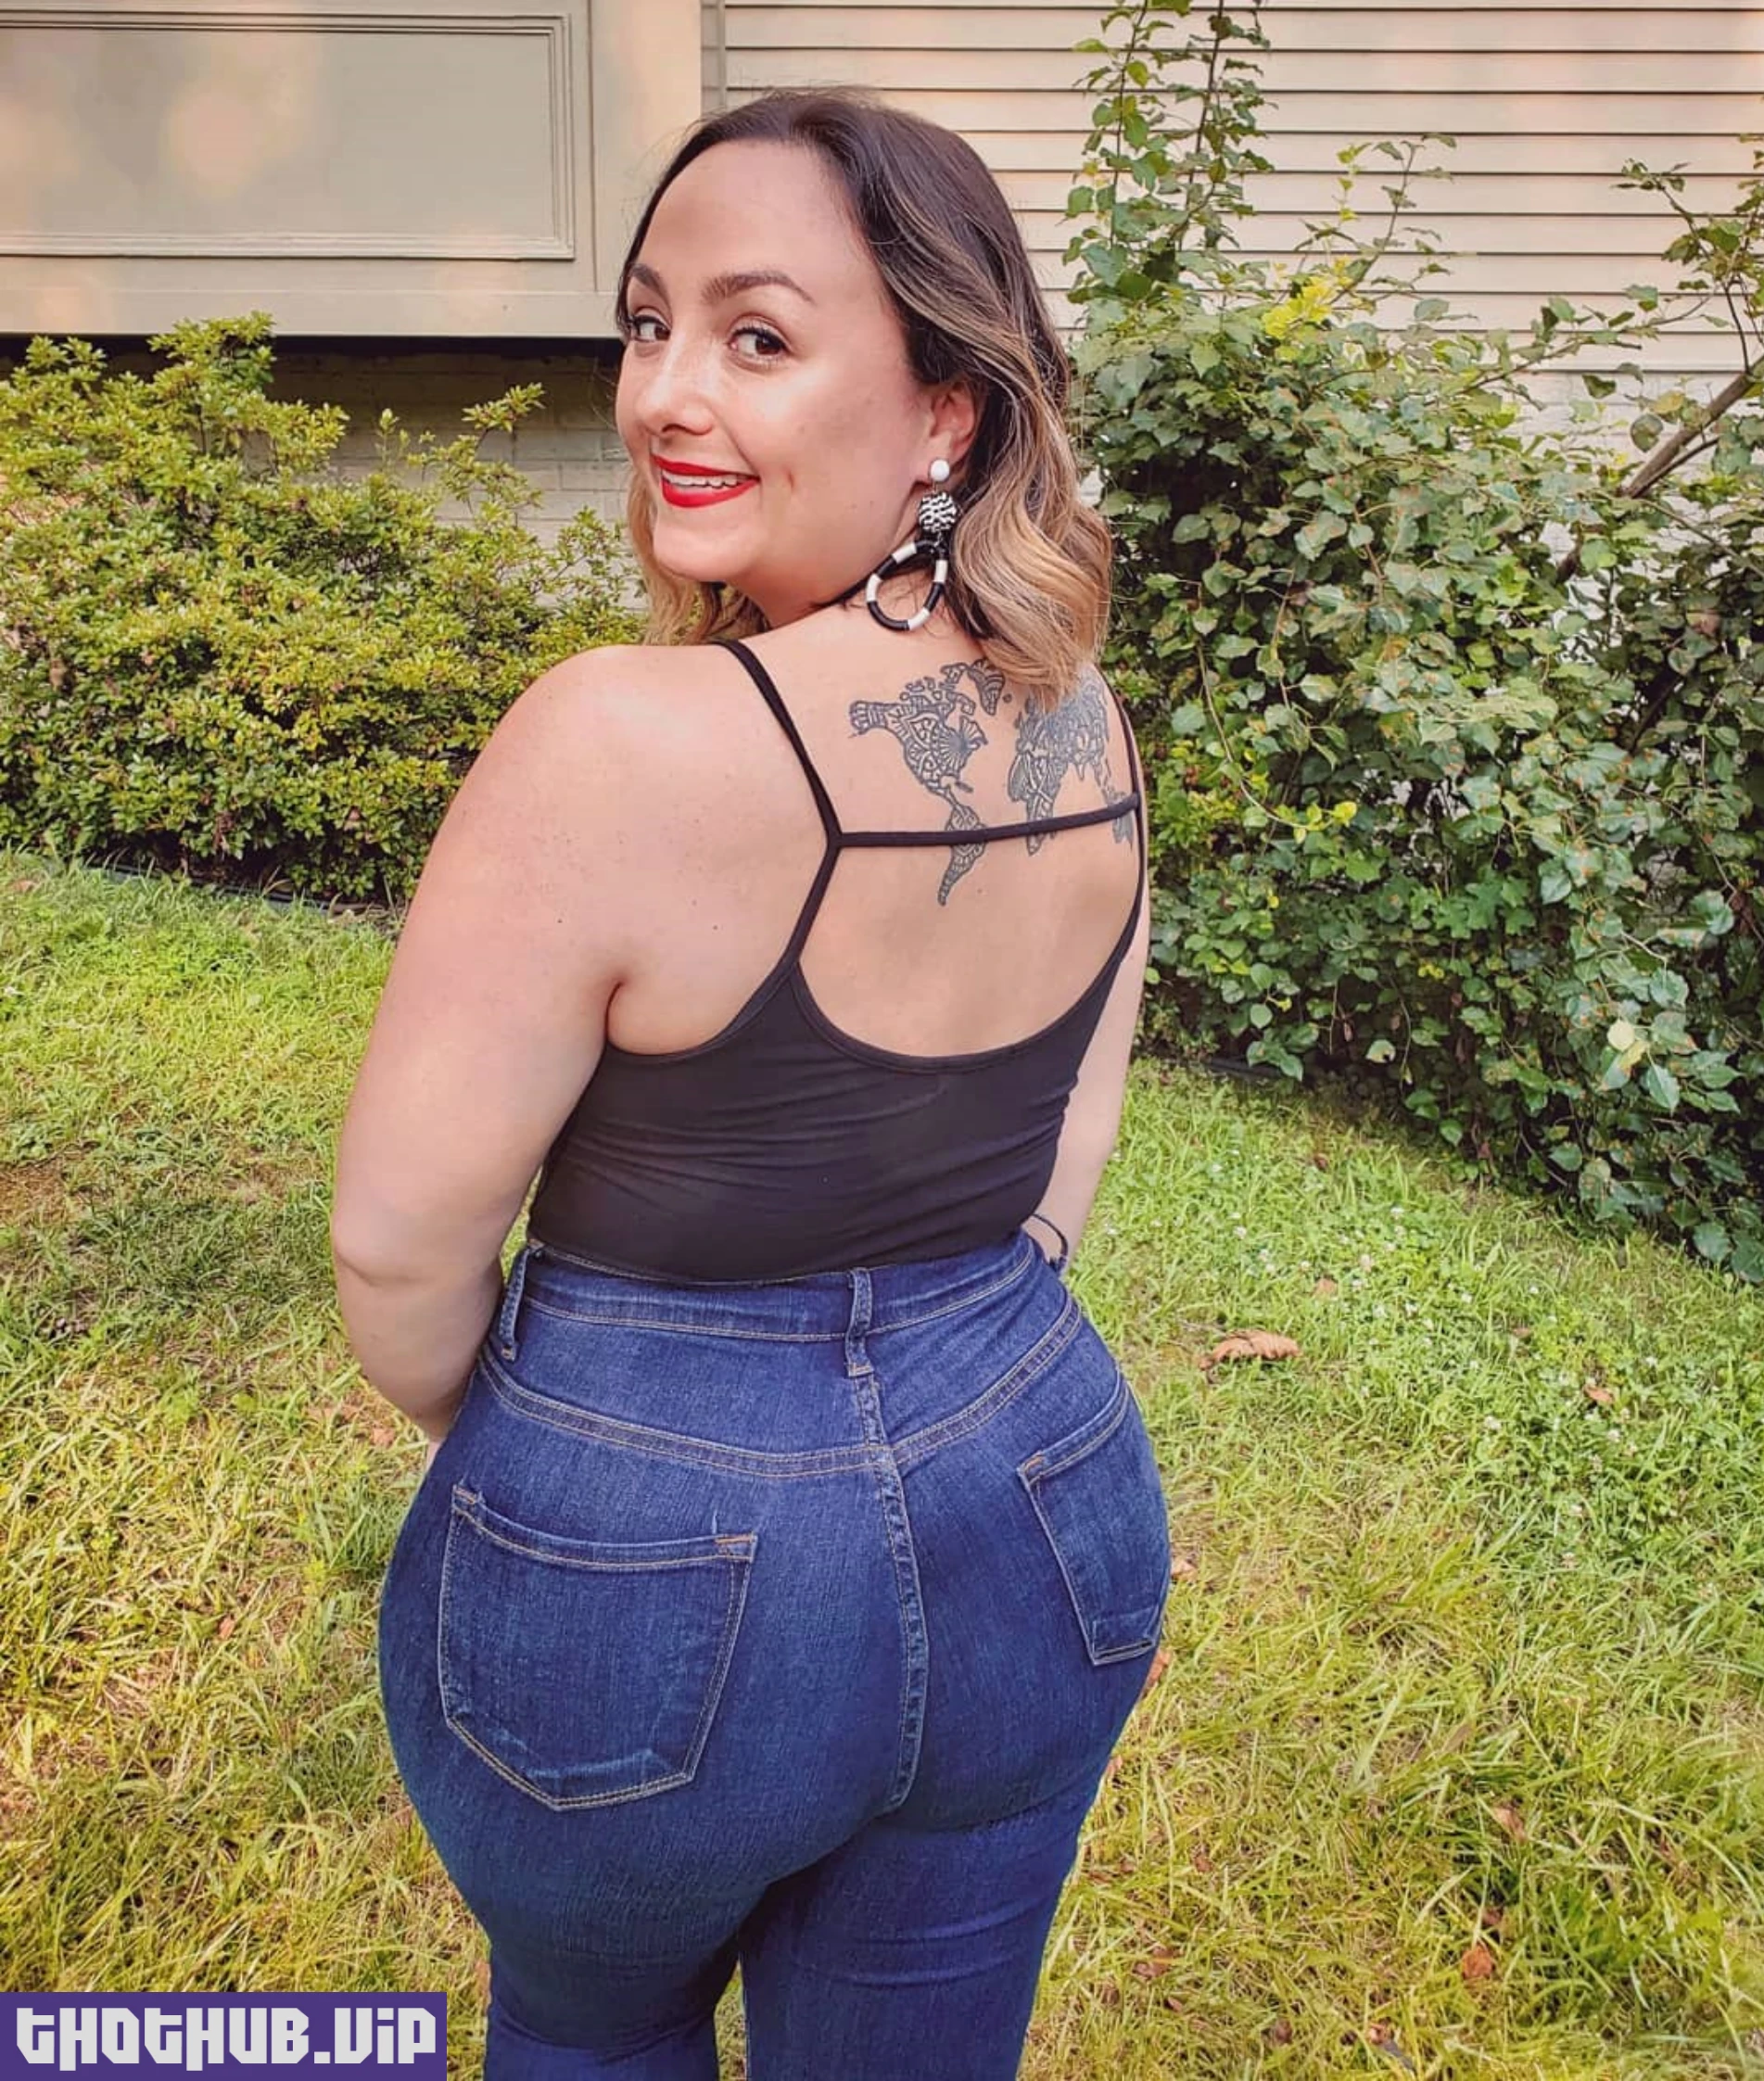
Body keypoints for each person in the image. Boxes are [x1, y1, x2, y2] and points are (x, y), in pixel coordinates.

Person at [331, 86, 1171, 2081]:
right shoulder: (1080, 718)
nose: (665, 397)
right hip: (1044, 1484)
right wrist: (976, 1320)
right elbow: (1080, 1119)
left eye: (759, 337)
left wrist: (557, 1442)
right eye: (648, 323)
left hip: (645, 1536)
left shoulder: (616, 740)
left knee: (595, 2033)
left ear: (946, 410)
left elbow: (396, 1247)